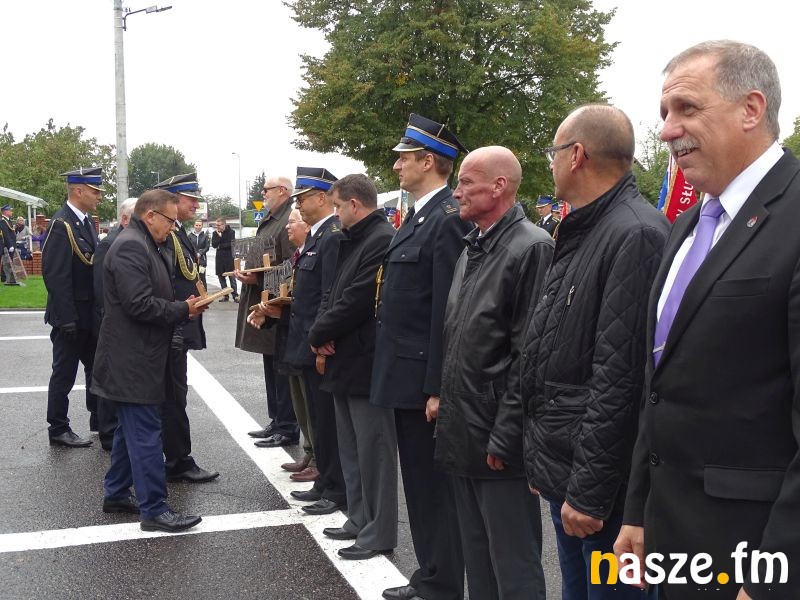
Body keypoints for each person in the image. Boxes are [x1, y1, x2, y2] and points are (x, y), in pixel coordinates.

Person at [615, 41, 800, 600]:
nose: (667, 130)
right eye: (665, 113)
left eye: (687, 108)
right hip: (672, 539)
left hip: (753, 551)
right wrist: (638, 509)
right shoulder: (691, 222)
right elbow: (661, 382)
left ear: (751, 109)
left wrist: (774, 579)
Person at [522, 105, 669, 600]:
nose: (551, 163)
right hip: (570, 469)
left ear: (577, 155)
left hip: (602, 493)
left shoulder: (635, 234)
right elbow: (553, 351)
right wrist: (543, 459)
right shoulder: (585, 228)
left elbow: (620, 381)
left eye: (554, 152)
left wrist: (588, 491)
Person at [434, 146, 552, 599]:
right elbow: (462, 341)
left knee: (514, 566)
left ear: (499, 186)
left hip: (496, 441)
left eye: (466, 182)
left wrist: (506, 435)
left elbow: (529, 356)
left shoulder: (531, 247)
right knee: (479, 562)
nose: (457, 191)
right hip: (466, 432)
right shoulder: (474, 248)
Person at [373, 114, 470, 600]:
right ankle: (433, 574)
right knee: (419, 484)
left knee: (432, 490)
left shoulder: (447, 220)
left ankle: (441, 582)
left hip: (420, 382)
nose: (396, 166)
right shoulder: (419, 217)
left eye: (404, 158)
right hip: (404, 374)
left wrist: (436, 387)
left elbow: (445, 314)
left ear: (428, 161)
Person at [91, 189, 206, 533]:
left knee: (130, 431)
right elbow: (138, 304)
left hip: (140, 355)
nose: (174, 227)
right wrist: (183, 309)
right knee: (145, 434)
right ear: (151, 215)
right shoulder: (131, 246)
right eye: (171, 220)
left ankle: (116, 493)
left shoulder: (147, 244)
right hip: (132, 359)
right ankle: (154, 509)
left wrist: (183, 306)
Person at [307, 174, 398, 560]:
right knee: (352, 448)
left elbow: (358, 299)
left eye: (339, 206)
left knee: (374, 452)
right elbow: (332, 294)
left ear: (355, 205)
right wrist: (320, 333)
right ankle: (359, 518)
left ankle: (378, 530)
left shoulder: (379, 239)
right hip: (345, 357)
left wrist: (319, 332)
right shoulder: (352, 238)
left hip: (365, 361)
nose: (336, 213)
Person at [266, 168, 348, 517]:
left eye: (302, 198)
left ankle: (334, 488)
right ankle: (325, 482)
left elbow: (330, 295)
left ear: (322, 198)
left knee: (326, 422)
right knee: (317, 418)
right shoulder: (316, 237)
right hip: (305, 341)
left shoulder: (332, 235)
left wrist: (321, 341)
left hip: (319, 346)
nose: (297, 204)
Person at [154, 173, 219, 483]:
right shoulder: (169, 233)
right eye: (191, 199)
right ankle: (178, 461)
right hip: (173, 324)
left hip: (179, 321)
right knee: (173, 396)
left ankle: (176, 457)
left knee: (174, 394)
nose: (195, 205)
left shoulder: (177, 232)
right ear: (174, 199)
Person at [41, 167, 103, 447]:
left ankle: (99, 419)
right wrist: (67, 318)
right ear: (78, 190)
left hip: (88, 315)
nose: (99, 197)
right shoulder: (61, 224)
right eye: (95, 191)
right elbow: (56, 276)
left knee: (96, 369)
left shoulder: (85, 222)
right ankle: (58, 428)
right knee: (64, 374)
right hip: (71, 317)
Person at [236, 176, 298, 446]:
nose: (263, 193)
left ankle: (287, 426)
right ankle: (277, 420)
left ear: (282, 191)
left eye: (267, 189)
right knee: (271, 366)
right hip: (265, 301)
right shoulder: (274, 217)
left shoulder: (288, 219)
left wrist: (258, 278)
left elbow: (291, 267)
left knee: (282, 371)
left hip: (276, 305)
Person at [92, 196, 137, 451]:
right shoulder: (109, 244)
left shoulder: (130, 241)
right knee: (110, 380)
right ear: (125, 219)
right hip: (112, 324)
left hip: (125, 325)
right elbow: (102, 291)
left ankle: (115, 429)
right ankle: (108, 433)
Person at [211, 218, 238, 301]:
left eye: (219, 225)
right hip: (219, 258)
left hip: (229, 258)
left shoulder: (231, 232)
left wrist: (220, 246)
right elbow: (214, 245)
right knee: (221, 277)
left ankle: (235, 295)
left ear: (224, 225)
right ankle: (225, 296)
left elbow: (231, 244)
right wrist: (219, 237)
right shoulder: (215, 233)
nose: (217, 227)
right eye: (216, 225)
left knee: (232, 277)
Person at [188, 219, 210, 290]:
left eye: (199, 225)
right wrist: (195, 253)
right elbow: (188, 247)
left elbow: (207, 247)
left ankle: (205, 293)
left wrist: (200, 253)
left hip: (202, 260)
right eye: (196, 225)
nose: (198, 227)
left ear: (202, 226)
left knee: (202, 277)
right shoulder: (190, 236)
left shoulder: (205, 236)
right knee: (193, 277)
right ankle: (195, 294)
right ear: (194, 226)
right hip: (193, 260)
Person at [0, 204, 18, 284]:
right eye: (10, 210)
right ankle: (5, 278)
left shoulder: (8, 220)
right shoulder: (3, 221)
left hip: (11, 244)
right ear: (5, 212)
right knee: (6, 262)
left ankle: (6, 277)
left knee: (8, 261)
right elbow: (6, 234)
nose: (11, 212)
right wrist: (10, 245)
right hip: (7, 245)